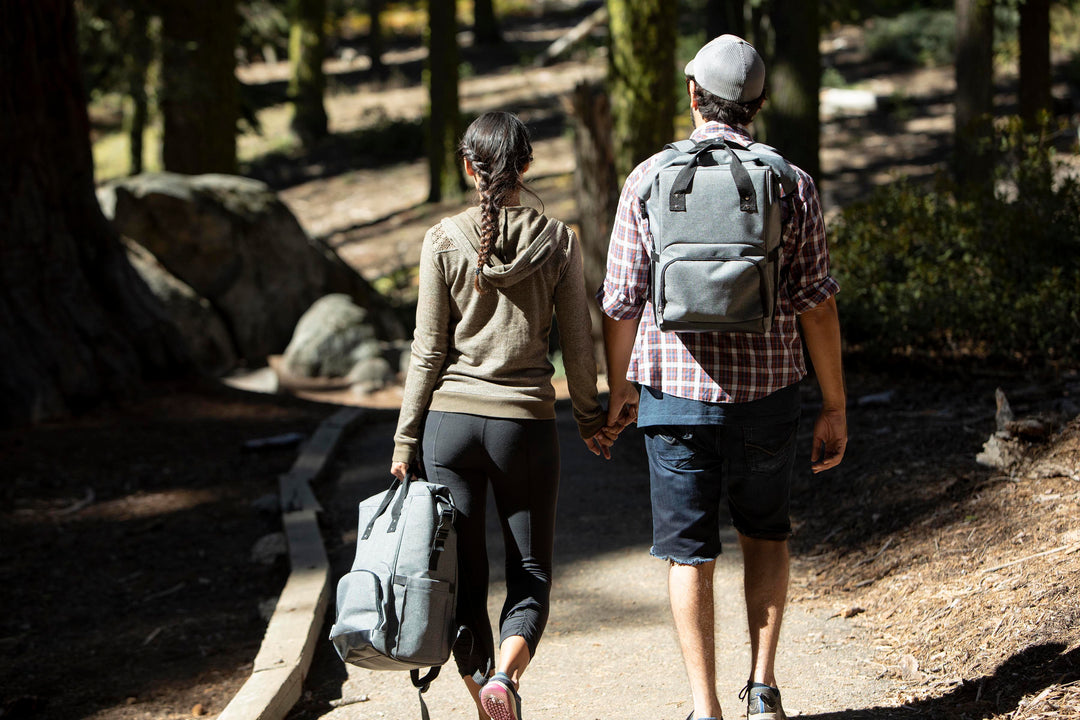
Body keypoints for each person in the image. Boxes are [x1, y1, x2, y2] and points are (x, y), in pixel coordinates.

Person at [597, 35, 848, 720]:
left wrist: (619, 391)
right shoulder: (791, 181)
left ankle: (705, 707)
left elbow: (620, 301)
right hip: (768, 395)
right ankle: (763, 690)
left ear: (692, 94)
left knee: (688, 554)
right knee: (766, 533)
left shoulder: (647, 178)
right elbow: (816, 305)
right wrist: (835, 405)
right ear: (759, 105)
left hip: (673, 396)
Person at [390, 111, 615, 720]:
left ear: (468, 166)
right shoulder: (559, 242)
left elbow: (428, 351)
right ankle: (506, 681)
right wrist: (591, 419)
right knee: (531, 573)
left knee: (461, 581)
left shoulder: (442, 239)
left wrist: (405, 440)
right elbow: (578, 342)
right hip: (527, 428)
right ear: (528, 167)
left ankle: (483, 696)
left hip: (449, 428)